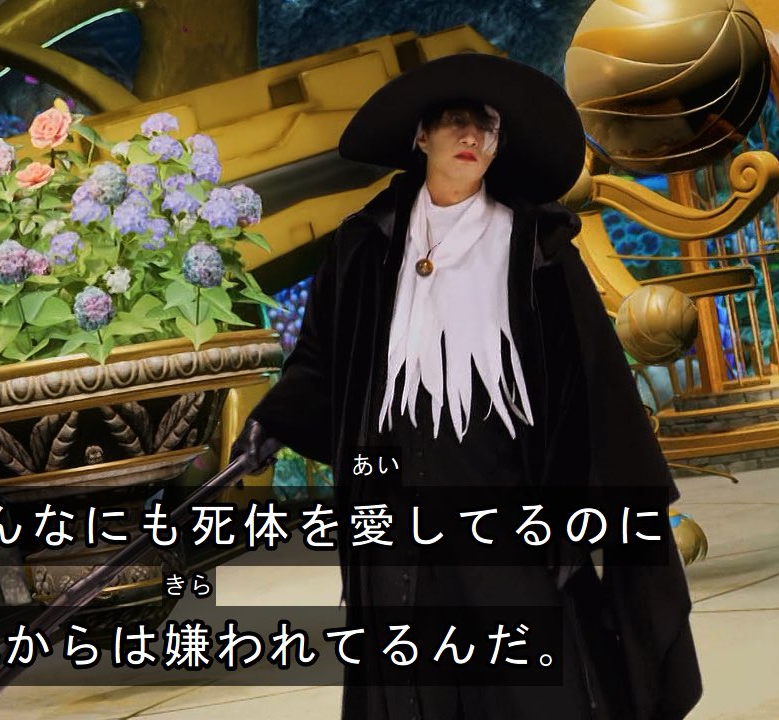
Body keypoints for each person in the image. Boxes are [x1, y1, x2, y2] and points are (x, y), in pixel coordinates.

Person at [229, 53, 702, 720]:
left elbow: (595, 388)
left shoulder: (538, 252)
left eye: (487, 126)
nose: (473, 135)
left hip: (506, 502)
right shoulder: (366, 246)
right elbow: (323, 361)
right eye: (456, 120)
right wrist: (273, 422)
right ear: (421, 136)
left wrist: (594, 510)